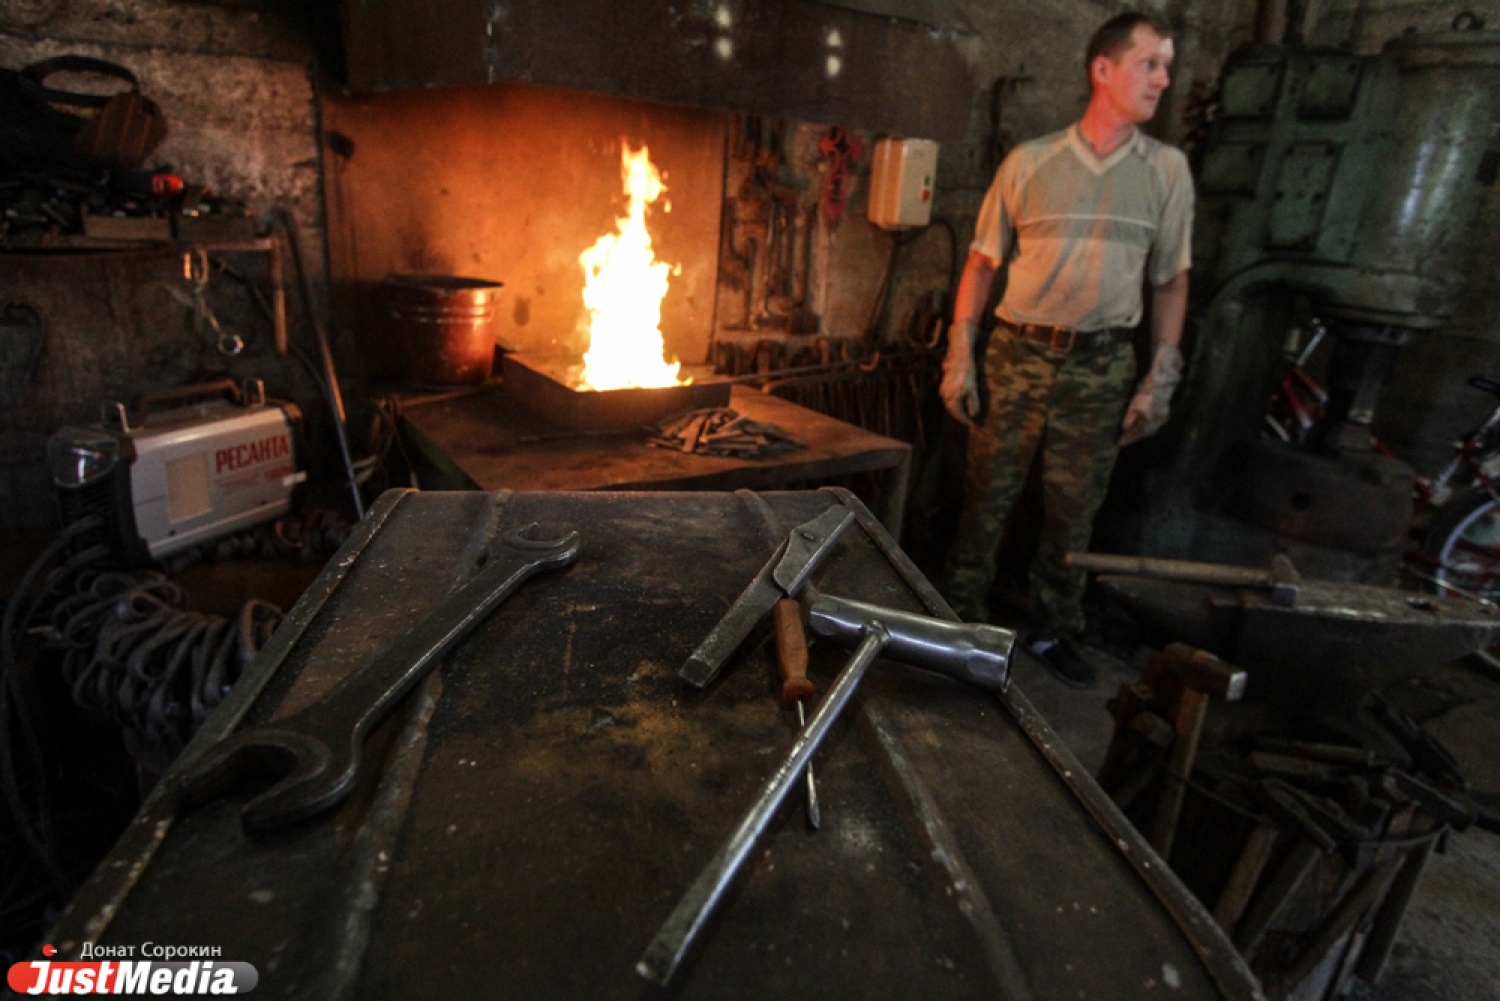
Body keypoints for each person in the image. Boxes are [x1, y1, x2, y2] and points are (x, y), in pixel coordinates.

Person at [939, 11, 1194, 688]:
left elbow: (1170, 281)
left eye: (1167, 67)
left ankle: (1053, 626)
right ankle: (960, 621)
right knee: (986, 497)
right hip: (1018, 354)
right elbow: (981, 265)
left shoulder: (1166, 172)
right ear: (1102, 69)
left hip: (1101, 365)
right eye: (1149, 64)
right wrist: (960, 356)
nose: (1162, 80)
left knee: (1074, 509)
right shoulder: (1030, 163)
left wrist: (1160, 376)